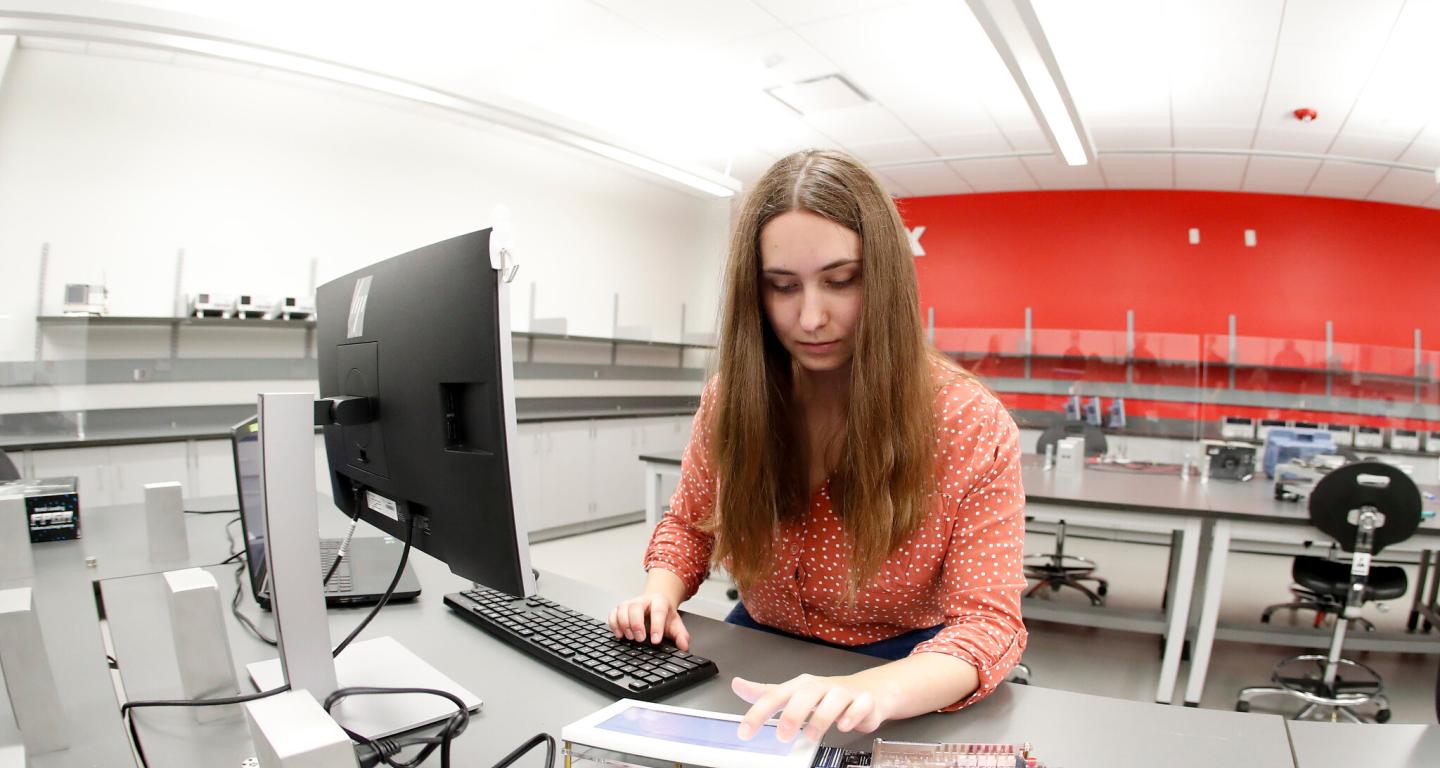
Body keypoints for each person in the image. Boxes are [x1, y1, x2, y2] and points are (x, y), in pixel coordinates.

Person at [608, 149, 1026, 745]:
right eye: (782, 286)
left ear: (882, 278)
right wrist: (658, 595)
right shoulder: (733, 398)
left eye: (840, 281)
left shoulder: (967, 421)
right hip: (760, 642)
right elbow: (690, 526)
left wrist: (874, 690)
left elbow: (988, 625)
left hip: (903, 664)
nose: (809, 317)